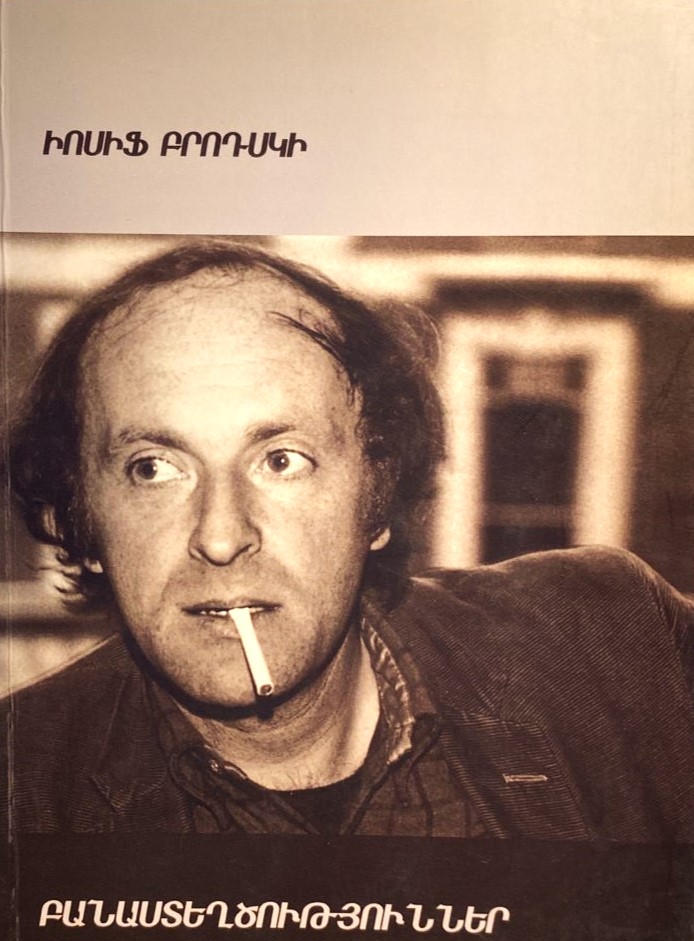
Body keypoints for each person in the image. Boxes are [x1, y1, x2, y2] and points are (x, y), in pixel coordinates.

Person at [3, 241, 694, 838]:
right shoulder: (21, 792)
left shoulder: (614, 646)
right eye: (152, 468)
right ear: (80, 522)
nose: (220, 536)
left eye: (282, 460)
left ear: (377, 499)